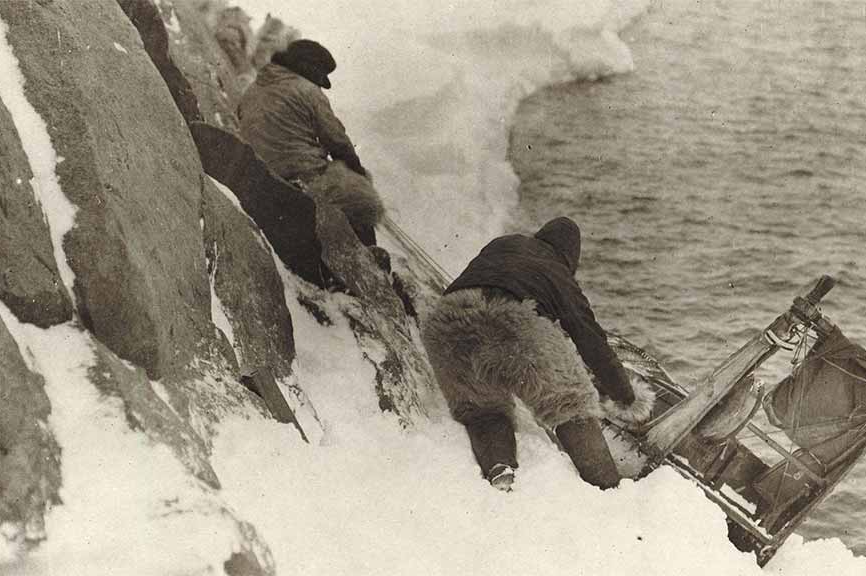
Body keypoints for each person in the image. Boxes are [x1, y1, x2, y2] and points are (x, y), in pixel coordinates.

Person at [420, 217, 656, 491]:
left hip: (446, 324)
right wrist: (626, 397)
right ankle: (608, 486)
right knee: (570, 403)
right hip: (507, 320)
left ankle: (500, 468)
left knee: (481, 409)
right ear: (570, 257)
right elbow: (591, 342)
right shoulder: (559, 272)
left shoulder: (503, 244)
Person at [236, 39, 384, 247]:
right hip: (297, 175)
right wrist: (358, 173)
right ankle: (365, 259)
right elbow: (338, 142)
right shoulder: (309, 91)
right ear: (310, 69)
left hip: (255, 170)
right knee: (362, 200)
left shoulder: (254, 87)